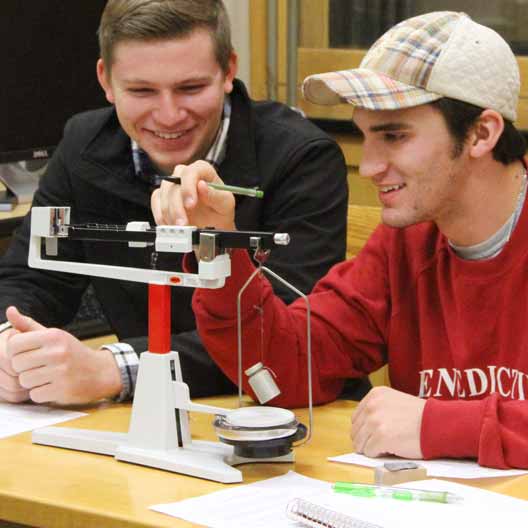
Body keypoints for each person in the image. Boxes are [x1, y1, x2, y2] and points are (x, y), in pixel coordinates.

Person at [172, 11, 528, 469]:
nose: (370, 165)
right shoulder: (404, 243)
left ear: (482, 133)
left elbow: (432, 426)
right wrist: (218, 244)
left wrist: (436, 425)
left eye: (395, 136)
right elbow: (286, 371)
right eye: (365, 137)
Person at [0, 0, 352, 405]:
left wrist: (114, 369)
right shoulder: (83, 145)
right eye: (141, 90)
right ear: (106, 80)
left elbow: (289, 334)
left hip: (278, 412)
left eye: (190, 88)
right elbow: (31, 278)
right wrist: (12, 346)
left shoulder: (302, 159)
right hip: (136, 415)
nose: (168, 116)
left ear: (229, 71)